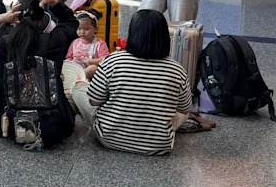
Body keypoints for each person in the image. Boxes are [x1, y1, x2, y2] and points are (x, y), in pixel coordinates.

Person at [70, 10, 191, 156]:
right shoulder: (177, 69)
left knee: (78, 88)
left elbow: (94, 101)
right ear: (165, 36)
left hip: (109, 138)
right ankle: (155, 130)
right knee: (182, 111)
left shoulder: (113, 60)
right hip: (158, 145)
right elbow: (184, 109)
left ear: (132, 33)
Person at [0, 0, 78, 127]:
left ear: (14, 18)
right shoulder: (54, 42)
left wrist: (2, 18)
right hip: (50, 122)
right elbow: (71, 22)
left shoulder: (2, 43)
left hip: (6, 120)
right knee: (72, 95)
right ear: (41, 20)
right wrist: (54, 2)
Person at [63, 8, 110, 84]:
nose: (82, 32)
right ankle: (76, 79)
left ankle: (77, 79)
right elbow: (69, 57)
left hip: (90, 73)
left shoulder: (99, 43)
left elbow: (105, 59)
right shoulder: (75, 42)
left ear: (95, 29)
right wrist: (68, 63)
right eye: (79, 29)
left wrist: (89, 61)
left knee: (93, 68)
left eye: (86, 29)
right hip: (75, 69)